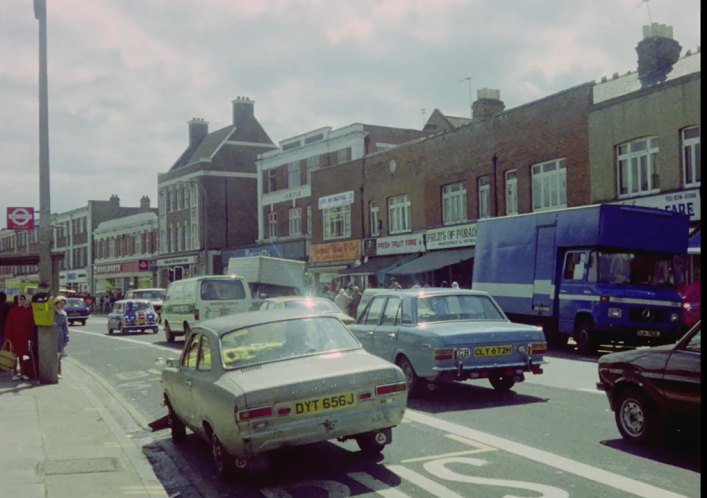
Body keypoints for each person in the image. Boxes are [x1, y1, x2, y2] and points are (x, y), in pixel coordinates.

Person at [4, 294, 35, 381]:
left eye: (23, 299)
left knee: (22, 356)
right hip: (14, 336)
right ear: (17, 300)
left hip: (24, 336)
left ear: (25, 300)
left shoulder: (29, 310)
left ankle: (23, 373)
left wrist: (31, 337)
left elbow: (31, 324)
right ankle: (15, 373)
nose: (21, 301)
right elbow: (8, 323)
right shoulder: (13, 310)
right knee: (14, 356)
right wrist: (7, 336)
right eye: (20, 299)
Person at [52, 295, 70, 380]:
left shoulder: (63, 313)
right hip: (51, 334)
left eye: (63, 304)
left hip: (60, 335)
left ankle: (58, 372)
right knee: (52, 354)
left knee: (58, 355)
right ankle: (52, 372)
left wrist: (66, 338)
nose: (62, 305)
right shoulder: (52, 312)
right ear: (56, 303)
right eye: (60, 303)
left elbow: (65, 327)